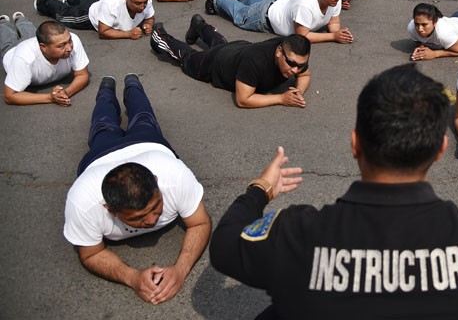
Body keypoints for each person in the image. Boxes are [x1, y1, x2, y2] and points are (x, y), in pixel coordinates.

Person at [209, 64, 458, 319]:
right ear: (439, 150)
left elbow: (224, 245)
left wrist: (260, 190)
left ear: (355, 145)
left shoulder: (294, 236)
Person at [63, 74, 211, 304]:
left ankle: (133, 84)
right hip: (100, 157)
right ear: (110, 209)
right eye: (139, 217)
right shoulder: (82, 202)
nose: (152, 220)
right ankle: (106, 90)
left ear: (155, 180)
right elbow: (91, 253)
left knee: (143, 116)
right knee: (102, 125)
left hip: (148, 143)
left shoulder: (173, 174)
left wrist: (181, 270)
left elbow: (200, 222)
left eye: (156, 206)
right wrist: (132, 278)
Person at [150, 20, 312, 109]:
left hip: (239, 49)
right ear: (279, 52)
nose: (295, 70)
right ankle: (159, 36)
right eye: (291, 63)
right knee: (187, 58)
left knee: (222, 44)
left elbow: (305, 74)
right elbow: (243, 100)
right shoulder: (255, 62)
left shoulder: (292, 53)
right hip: (216, 63)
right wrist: (281, 98)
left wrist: (299, 90)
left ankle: (200, 26)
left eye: (300, 65)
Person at [209, 0, 353, 44]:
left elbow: (333, 21)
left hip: (280, 3)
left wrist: (338, 32)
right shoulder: (306, 3)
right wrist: (333, 36)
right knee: (242, 14)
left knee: (259, 1)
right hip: (265, 18)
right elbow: (302, 35)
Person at [2, 18, 89, 106]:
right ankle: (3, 22)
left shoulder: (73, 40)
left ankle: (20, 19)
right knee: (7, 37)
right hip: (12, 50)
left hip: (33, 42)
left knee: (30, 31)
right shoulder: (24, 58)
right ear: (43, 47)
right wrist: (50, 97)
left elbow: (83, 75)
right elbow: (10, 96)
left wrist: (66, 93)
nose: (69, 48)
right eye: (62, 46)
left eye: (69, 41)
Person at [35, 0, 155, 40]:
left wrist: (148, 24)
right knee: (63, 15)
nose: (142, 7)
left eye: (144, 3)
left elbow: (150, 17)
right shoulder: (111, 4)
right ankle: (42, 0)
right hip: (88, 14)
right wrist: (128, 34)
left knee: (85, 0)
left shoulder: (145, 0)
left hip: (99, 4)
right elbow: (103, 32)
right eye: (137, 4)